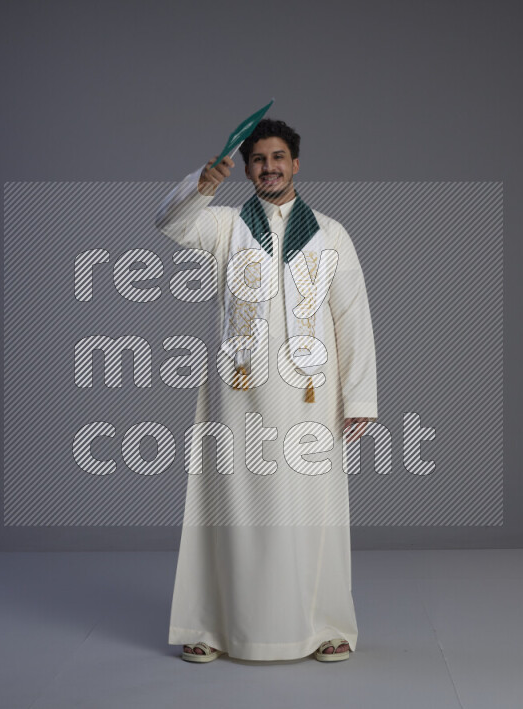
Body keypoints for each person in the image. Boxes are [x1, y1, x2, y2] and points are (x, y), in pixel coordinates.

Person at [154, 118, 378, 662]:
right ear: (247, 169)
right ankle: (213, 626)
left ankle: (323, 625)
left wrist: (360, 397)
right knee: (230, 508)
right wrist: (201, 186)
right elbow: (170, 223)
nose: (269, 167)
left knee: (312, 511)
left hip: (309, 396)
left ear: (295, 164)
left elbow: (352, 316)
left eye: (278, 158)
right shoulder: (226, 226)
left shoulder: (330, 234)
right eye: (258, 160)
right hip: (239, 392)